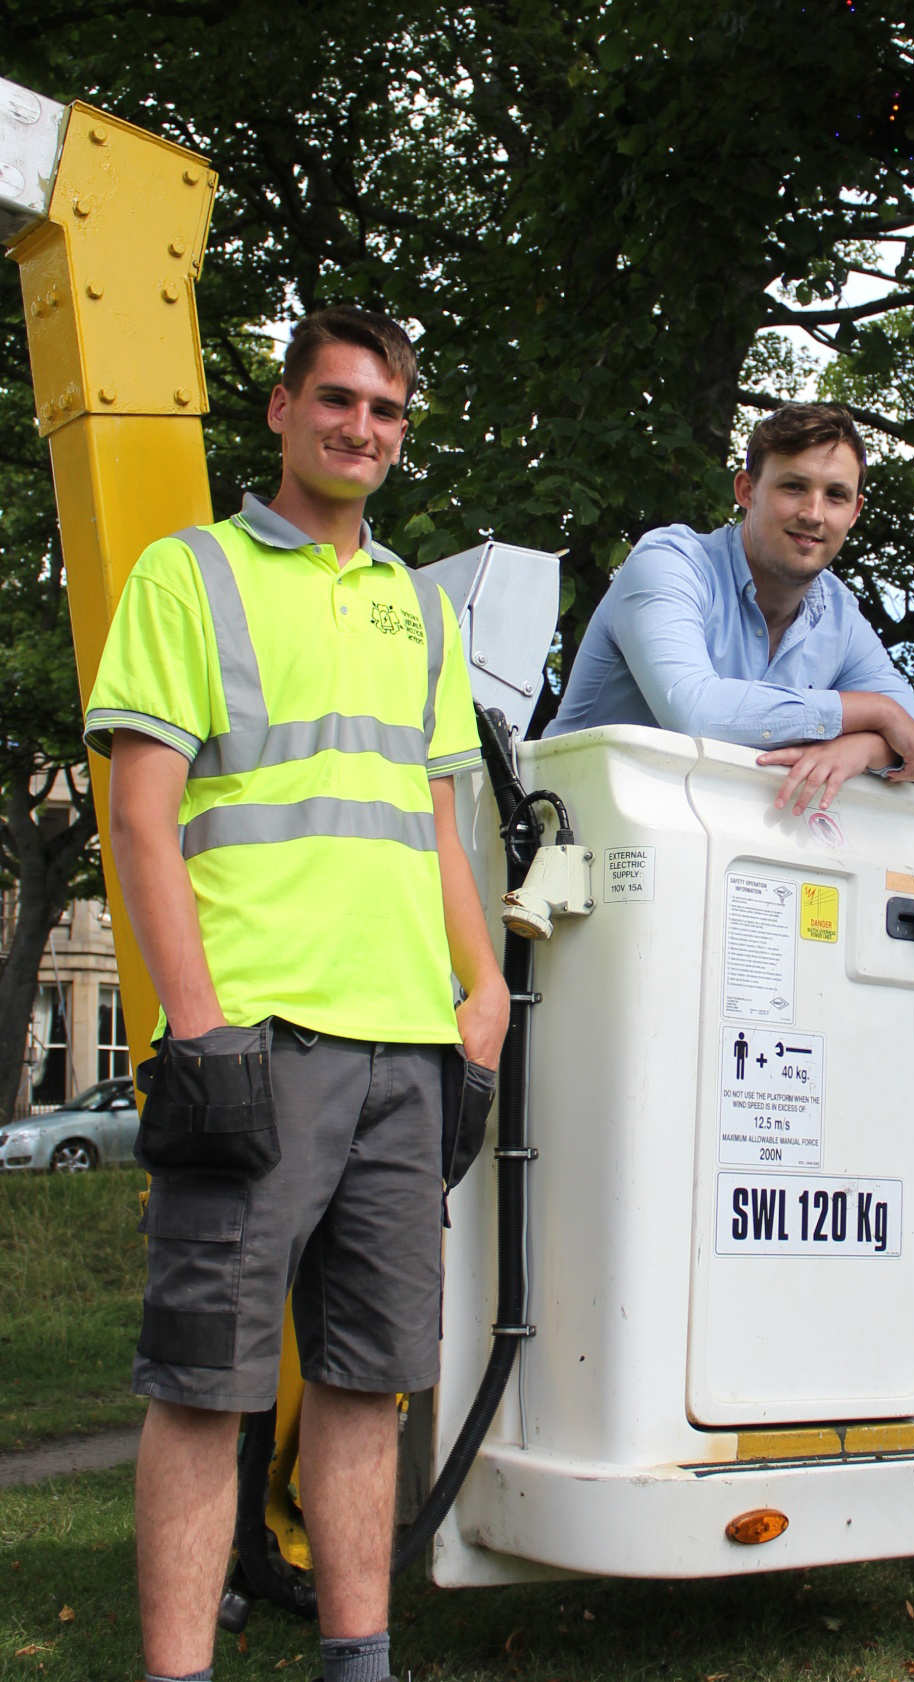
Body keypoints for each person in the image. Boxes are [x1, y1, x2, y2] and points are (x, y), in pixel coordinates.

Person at [84, 306, 510, 1682]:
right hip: (254, 1035)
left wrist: (485, 985)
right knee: (204, 1383)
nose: (362, 429)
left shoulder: (421, 612)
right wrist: (197, 1022)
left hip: (408, 1041)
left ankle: (357, 1656)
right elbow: (141, 818)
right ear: (278, 408)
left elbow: (438, 825)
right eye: (338, 400)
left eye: (387, 410)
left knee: (365, 1379)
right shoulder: (187, 574)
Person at [545, 402, 914, 809]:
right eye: (794, 486)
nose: (814, 514)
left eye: (835, 495)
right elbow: (697, 715)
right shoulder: (670, 563)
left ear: (854, 512)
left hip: (708, 849)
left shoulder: (839, 615)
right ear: (746, 490)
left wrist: (870, 748)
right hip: (571, 834)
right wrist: (873, 711)